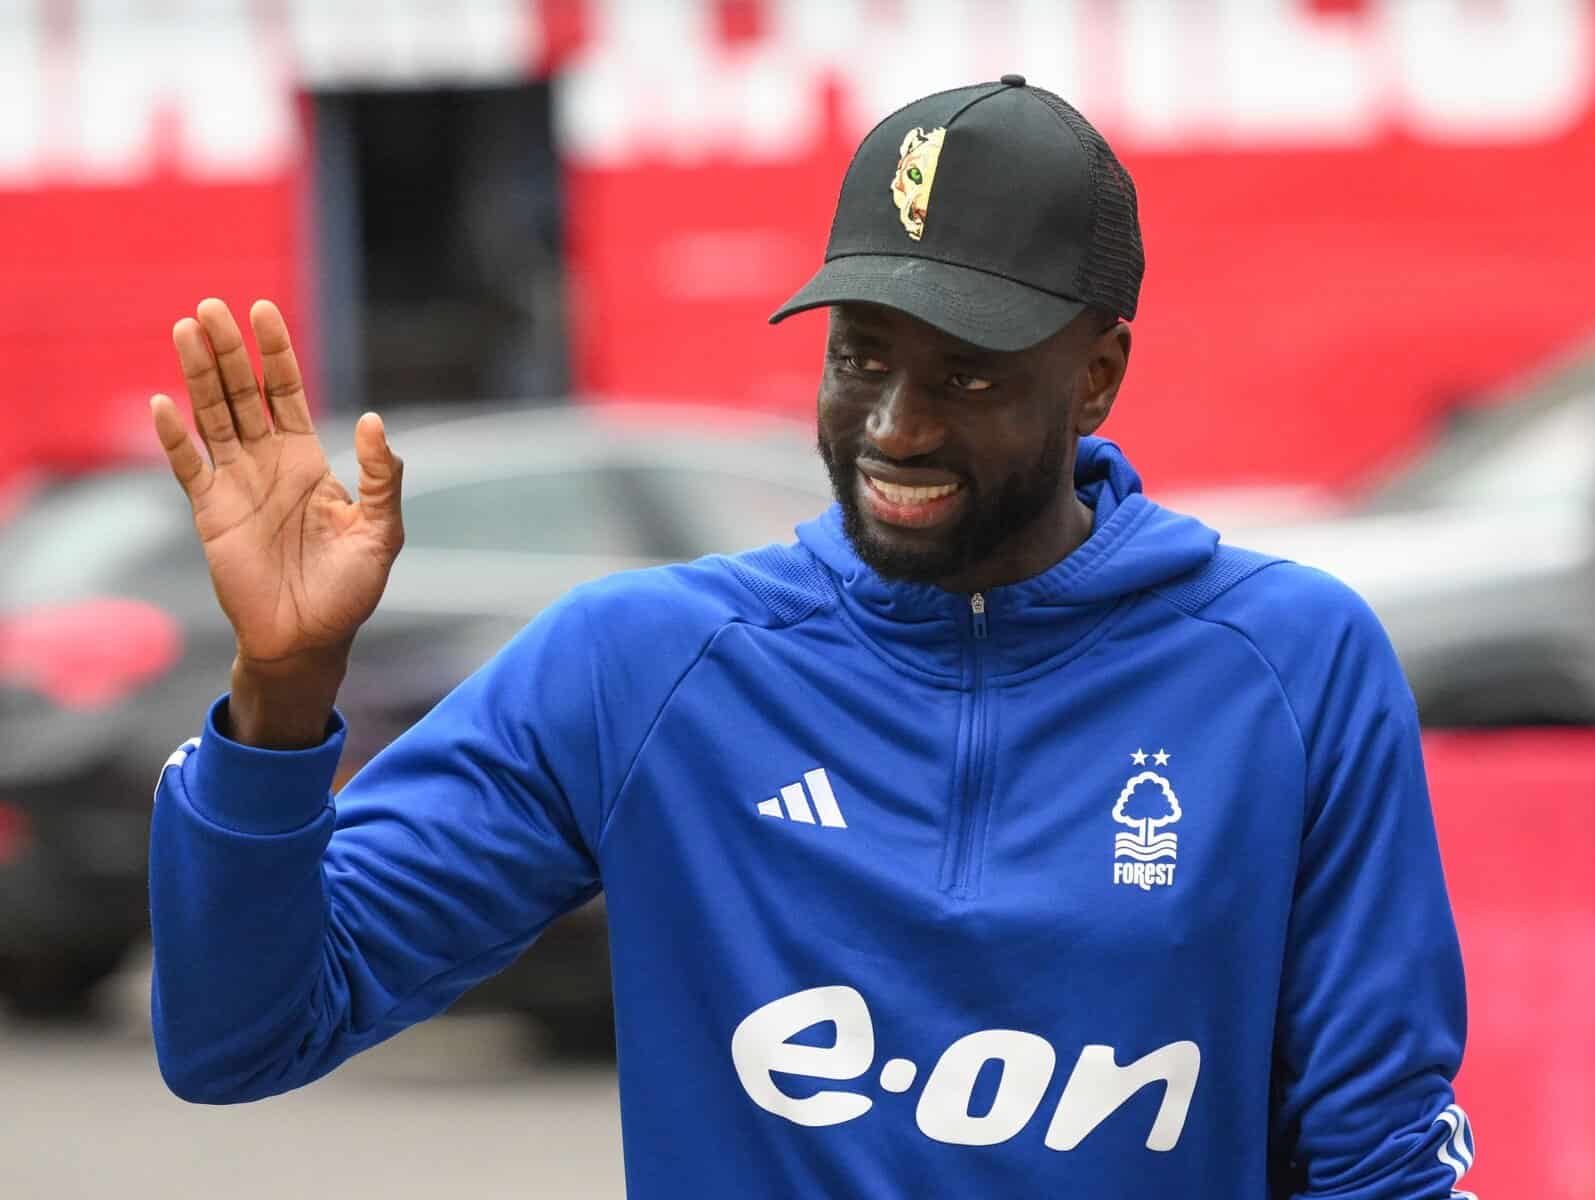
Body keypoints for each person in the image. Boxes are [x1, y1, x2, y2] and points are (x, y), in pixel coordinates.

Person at [147, 77, 1474, 1199]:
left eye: (966, 372)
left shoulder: (1288, 663)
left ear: (1096, 374)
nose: (894, 424)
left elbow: (1376, 1155)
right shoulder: (641, 664)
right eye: (859, 355)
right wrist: (280, 696)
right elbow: (240, 1035)